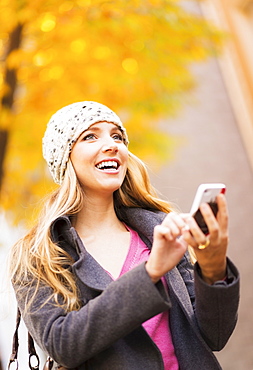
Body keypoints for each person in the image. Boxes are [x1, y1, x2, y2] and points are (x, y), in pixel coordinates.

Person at [10, 101, 239, 370]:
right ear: (65, 158)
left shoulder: (159, 232)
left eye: (117, 136)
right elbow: (63, 345)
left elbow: (215, 335)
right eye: (90, 136)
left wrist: (212, 266)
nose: (112, 145)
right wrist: (151, 271)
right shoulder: (41, 255)